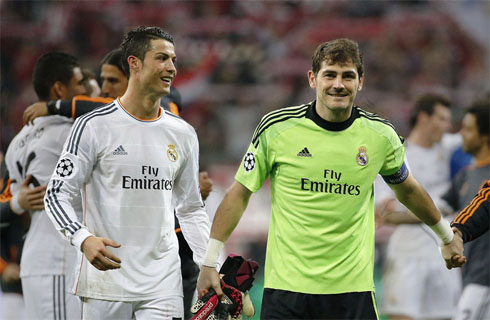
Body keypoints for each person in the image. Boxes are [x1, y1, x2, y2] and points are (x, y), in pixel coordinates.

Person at [196, 38, 464, 319]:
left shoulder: (381, 136)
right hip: (287, 291)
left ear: (360, 82)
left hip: (352, 291)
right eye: (330, 75)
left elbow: (407, 190)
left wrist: (445, 236)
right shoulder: (277, 128)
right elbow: (239, 193)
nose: (339, 84)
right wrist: (210, 262)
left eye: (348, 76)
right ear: (313, 78)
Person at [23, 46, 213, 319]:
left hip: (167, 268)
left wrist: (210, 262)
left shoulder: (166, 111)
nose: (103, 90)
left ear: (133, 75)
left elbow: (191, 206)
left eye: (111, 81)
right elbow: (56, 194)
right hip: (105, 273)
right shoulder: (90, 129)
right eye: (102, 81)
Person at [4, 52, 87, 319]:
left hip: (37, 257)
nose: (85, 90)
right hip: (59, 259)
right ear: (59, 88)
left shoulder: (17, 141)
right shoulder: (69, 131)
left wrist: (17, 203)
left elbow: (11, 204)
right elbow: (117, 109)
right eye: (80, 83)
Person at [376, 94, 462, 320]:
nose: (447, 126)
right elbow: (388, 214)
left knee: (445, 316)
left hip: (443, 251)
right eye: (442, 119)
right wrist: (439, 210)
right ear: (424, 118)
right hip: (407, 250)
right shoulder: (395, 154)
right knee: (402, 316)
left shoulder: (450, 148)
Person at [439, 99, 489, 320]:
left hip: (484, 280)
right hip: (470, 277)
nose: (462, 134)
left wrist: (457, 231)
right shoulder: (465, 176)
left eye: (468, 129)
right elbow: (437, 210)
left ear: (484, 135)